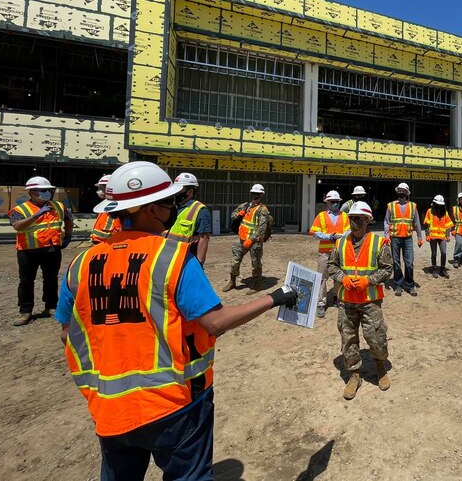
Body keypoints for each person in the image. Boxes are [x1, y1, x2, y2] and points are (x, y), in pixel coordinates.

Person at [55, 161, 296, 480]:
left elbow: (67, 332)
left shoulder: (80, 263)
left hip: (109, 408)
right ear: (150, 210)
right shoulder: (173, 257)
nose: (174, 208)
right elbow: (216, 322)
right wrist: (275, 298)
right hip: (174, 404)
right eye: (169, 202)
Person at [327, 201, 393, 400]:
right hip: (346, 302)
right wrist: (343, 278)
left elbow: (387, 269)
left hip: (370, 302)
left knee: (377, 337)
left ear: (367, 221)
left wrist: (368, 281)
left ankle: (380, 367)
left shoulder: (379, 243)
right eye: (351, 218)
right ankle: (354, 375)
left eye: (357, 218)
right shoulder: (340, 243)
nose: (353, 222)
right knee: (348, 339)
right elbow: (332, 266)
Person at [9, 175, 74, 326]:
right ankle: (25, 311)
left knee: (51, 279)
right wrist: (36, 215)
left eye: (49, 190)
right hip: (28, 251)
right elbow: (17, 226)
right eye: (42, 190)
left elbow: (69, 219)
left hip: (51, 250)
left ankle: (50, 307)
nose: (47, 193)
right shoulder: (19, 209)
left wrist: (68, 236)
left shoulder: (58, 206)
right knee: (26, 281)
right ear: (32, 192)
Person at [309, 190, 350, 318]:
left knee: (339, 276)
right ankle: (321, 303)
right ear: (327, 203)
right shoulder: (321, 216)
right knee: (322, 278)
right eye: (333, 202)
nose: (336, 204)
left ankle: (338, 298)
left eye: (337, 202)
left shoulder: (344, 216)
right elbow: (314, 232)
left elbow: (349, 231)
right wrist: (329, 236)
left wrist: (341, 236)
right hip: (324, 252)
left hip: (339, 251)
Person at [224, 184, 272, 293]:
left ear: (261, 195)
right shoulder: (245, 206)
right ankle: (232, 281)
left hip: (254, 242)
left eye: (258, 194)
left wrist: (251, 240)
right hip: (241, 239)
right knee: (235, 261)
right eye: (253, 193)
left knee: (256, 263)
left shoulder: (262, 210)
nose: (255, 196)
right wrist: (240, 213)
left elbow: (262, 228)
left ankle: (257, 285)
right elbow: (232, 216)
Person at [383, 182, 423, 296]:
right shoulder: (390, 205)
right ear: (397, 192)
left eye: (403, 191)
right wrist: (386, 236)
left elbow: (417, 223)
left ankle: (410, 284)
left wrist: (420, 237)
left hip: (408, 238)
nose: (401, 193)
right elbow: (386, 221)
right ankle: (398, 284)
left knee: (409, 262)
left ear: (407, 193)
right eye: (399, 191)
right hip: (395, 238)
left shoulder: (413, 206)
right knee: (396, 262)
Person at [164, 172, 212, 267]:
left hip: (184, 260)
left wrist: (199, 264)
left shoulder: (200, 210)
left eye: (179, 190)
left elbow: (204, 238)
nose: (176, 193)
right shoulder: (172, 207)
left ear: (190, 192)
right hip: (165, 256)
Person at [423, 195, 454, 278]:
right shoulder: (429, 211)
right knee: (434, 253)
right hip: (432, 237)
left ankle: (442, 269)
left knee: (443, 252)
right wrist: (427, 235)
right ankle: (434, 269)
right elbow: (426, 224)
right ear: (434, 203)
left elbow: (448, 225)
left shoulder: (445, 212)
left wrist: (448, 235)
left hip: (442, 236)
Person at [90, 174, 121, 244]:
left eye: (102, 188)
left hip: (108, 242)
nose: (100, 191)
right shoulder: (105, 204)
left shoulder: (116, 206)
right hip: (100, 241)